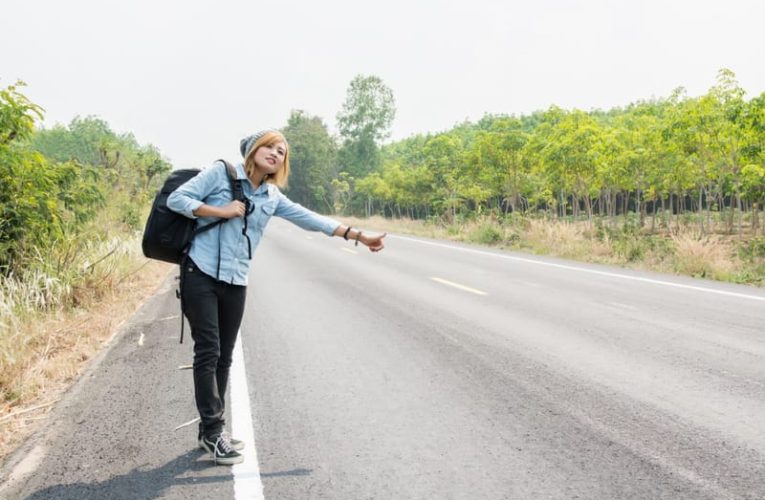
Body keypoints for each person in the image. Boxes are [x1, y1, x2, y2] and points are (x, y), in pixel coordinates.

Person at [167, 129, 386, 465]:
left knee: (224, 355)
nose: (275, 153)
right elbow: (176, 200)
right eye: (269, 146)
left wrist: (359, 236)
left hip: (236, 279)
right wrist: (221, 212)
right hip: (201, 272)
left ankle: (210, 432)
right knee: (208, 350)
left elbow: (312, 220)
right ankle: (213, 431)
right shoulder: (221, 174)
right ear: (254, 149)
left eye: (281, 151)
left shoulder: (272, 197)